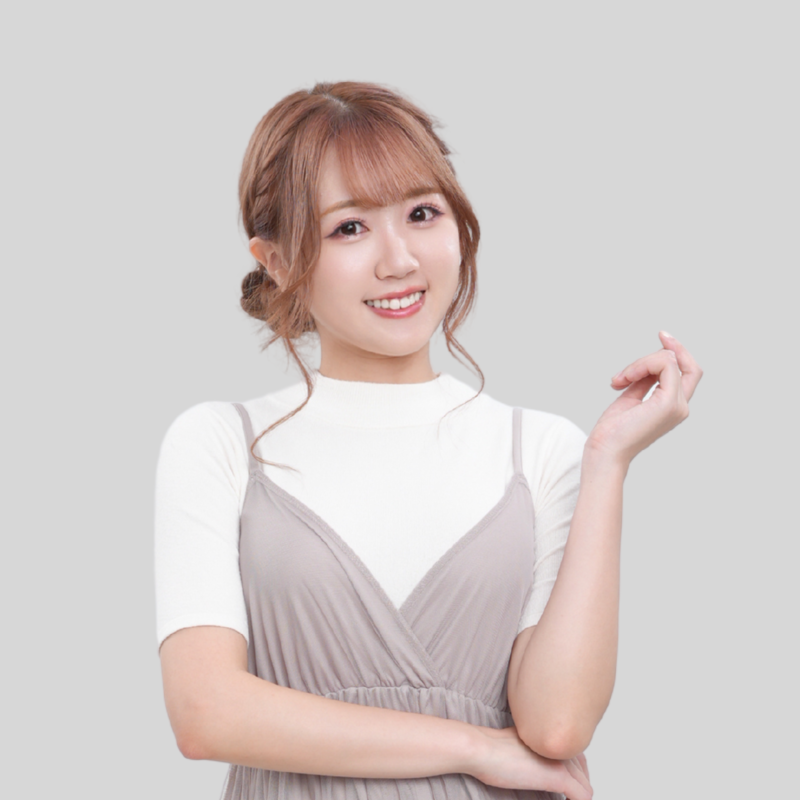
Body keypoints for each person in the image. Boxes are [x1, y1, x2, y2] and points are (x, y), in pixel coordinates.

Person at [154, 81, 702, 800]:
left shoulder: (542, 449)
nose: (400, 260)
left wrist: (607, 465)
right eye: (349, 227)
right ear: (278, 260)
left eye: (421, 213)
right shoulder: (222, 443)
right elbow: (205, 713)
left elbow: (558, 725)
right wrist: (472, 746)